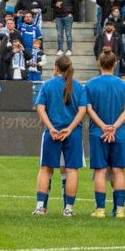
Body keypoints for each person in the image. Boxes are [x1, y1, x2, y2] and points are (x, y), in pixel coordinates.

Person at [33, 55, 86, 217]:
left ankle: (41, 207)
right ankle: (68, 208)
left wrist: (51, 128)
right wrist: (70, 129)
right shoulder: (78, 87)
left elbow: (40, 108)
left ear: (56, 67)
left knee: (45, 169)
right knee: (71, 170)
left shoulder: (47, 85)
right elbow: (82, 110)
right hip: (73, 134)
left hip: (52, 132)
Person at [82, 49, 125, 218]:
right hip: (119, 134)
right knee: (119, 171)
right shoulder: (124, 84)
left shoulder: (90, 84)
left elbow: (88, 109)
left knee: (100, 171)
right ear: (115, 64)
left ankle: (100, 209)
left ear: (99, 63)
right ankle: (120, 210)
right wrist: (114, 127)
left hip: (98, 133)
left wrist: (104, 126)